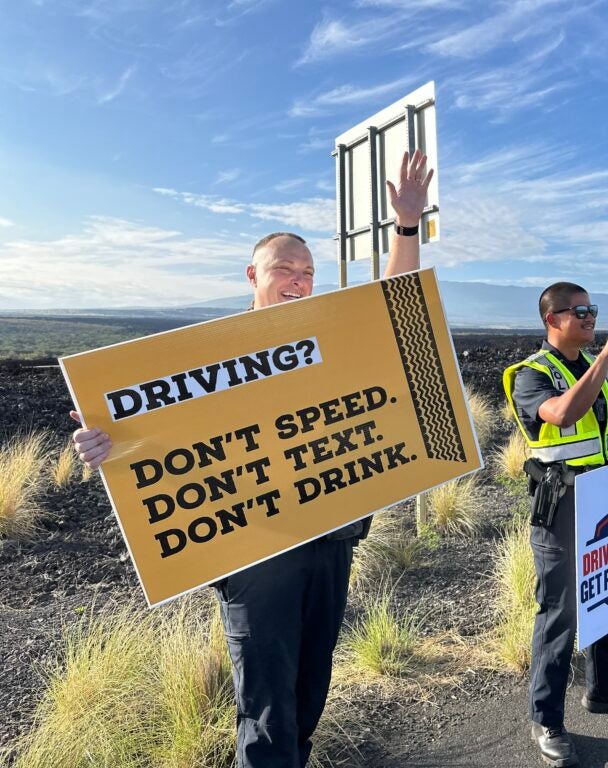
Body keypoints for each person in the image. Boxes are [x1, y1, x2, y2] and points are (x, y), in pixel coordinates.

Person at [71, 150, 434, 768]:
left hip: (330, 539)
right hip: (253, 548)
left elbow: (389, 308)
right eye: (284, 268)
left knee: (308, 692)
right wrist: (105, 446)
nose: (298, 280)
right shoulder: (205, 356)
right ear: (252, 274)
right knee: (267, 710)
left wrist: (404, 226)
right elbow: (162, 440)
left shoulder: (327, 337)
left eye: (308, 272)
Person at [503, 283, 608, 768]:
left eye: (593, 311)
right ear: (552, 319)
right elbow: (563, 412)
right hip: (564, 504)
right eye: (581, 311)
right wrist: (606, 359)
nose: (591, 318)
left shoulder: (597, 372)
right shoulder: (530, 374)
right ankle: (546, 719)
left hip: (606, 497)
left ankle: (606, 688)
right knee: (560, 613)